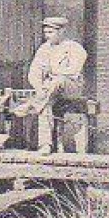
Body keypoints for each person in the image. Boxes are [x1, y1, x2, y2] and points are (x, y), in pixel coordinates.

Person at [14, 16, 88, 154]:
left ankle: (31, 105)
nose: (47, 36)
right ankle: (45, 145)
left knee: (56, 82)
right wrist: (38, 87)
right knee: (45, 104)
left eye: (51, 32)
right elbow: (34, 72)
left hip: (71, 87)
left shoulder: (75, 48)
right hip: (50, 90)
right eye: (46, 32)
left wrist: (50, 78)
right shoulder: (44, 49)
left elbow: (72, 71)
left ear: (62, 31)